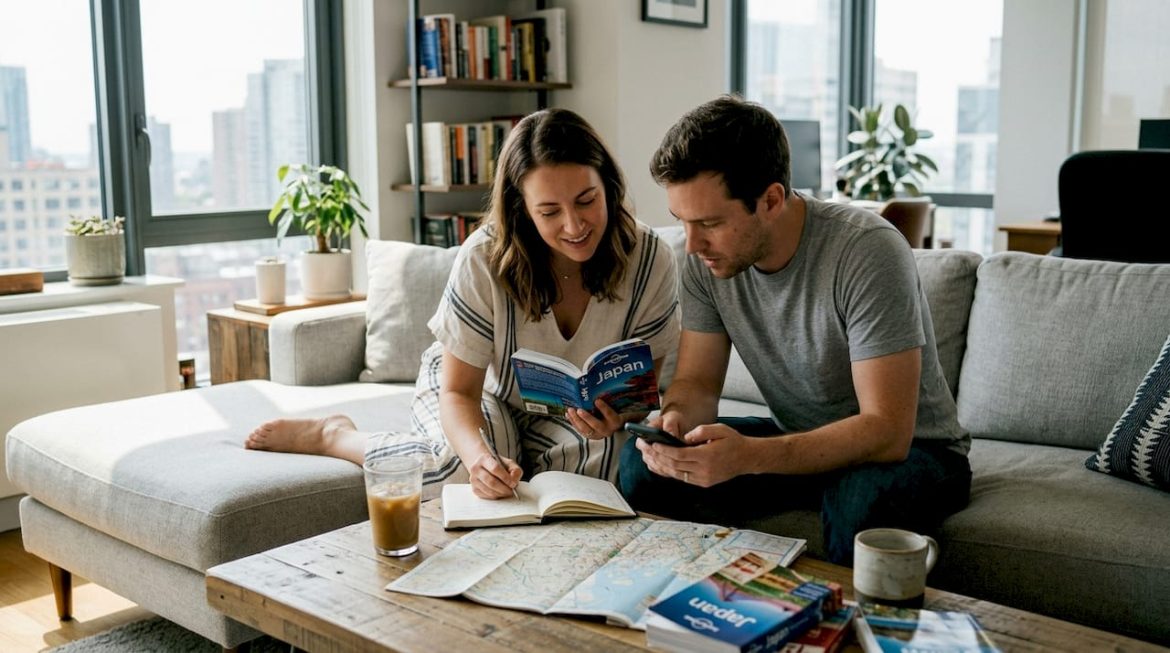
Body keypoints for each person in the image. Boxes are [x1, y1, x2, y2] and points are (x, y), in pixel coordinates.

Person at [246, 108, 680, 500]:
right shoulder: (484, 257)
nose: (574, 225)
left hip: (567, 414)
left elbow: (642, 395)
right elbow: (458, 392)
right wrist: (479, 461)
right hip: (477, 385)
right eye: (549, 212)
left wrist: (615, 420)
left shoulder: (650, 258)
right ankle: (334, 435)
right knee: (456, 472)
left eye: (587, 200)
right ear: (523, 210)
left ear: (608, 184)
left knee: (600, 473)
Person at [618, 95, 971, 564]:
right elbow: (698, 384)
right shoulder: (705, 260)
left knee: (862, 506)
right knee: (641, 468)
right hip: (798, 437)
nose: (692, 242)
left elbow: (887, 430)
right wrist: (677, 421)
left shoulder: (866, 251)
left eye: (709, 223)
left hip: (912, 453)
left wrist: (749, 456)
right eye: (682, 221)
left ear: (771, 200)